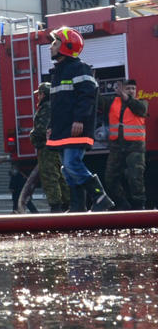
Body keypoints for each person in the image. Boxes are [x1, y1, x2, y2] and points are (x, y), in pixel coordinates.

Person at [46, 26, 113, 211]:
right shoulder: (57, 73)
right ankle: (78, 207)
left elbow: (88, 96)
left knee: (72, 163)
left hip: (76, 127)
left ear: (66, 46)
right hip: (62, 129)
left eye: (55, 42)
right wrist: (51, 126)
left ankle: (100, 198)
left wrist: (79, 120)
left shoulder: (79, 68)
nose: (50, 46)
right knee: (67, 169)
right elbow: (57, 106)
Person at [101, 78, 147, 209]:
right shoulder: (112, 102)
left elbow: (140, 110)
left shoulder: (141, 103)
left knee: (135, 178)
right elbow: (98, 102)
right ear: (122, 90)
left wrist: (126, 97)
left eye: (133, 89)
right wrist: (93, 83)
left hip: (135, 148)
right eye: (128, 88)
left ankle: (139, 206)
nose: (131, 91)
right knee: (110, 179)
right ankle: (123, 204)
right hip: (116, 147)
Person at [28, 82, 69, 212]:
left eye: (39, 94)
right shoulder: (55, 106)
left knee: (49, 176)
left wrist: (32, 135)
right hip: (55, 146)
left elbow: (42, 129)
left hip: (47, 147)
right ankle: (67, 203)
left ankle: (55, 206)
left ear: (43, 94)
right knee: (59, 175)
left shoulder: (46, 108)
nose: (37, 97)